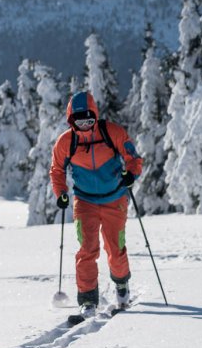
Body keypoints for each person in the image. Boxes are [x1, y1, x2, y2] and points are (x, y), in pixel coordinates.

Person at [50, 91, 143, 316]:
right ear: (71, 119)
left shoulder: (112, 133)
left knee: (115, 247)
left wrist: (131, 174)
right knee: (87, 250)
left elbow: (133, 157)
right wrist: (61, 192)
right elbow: (57, 170)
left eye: (89, 119)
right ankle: (88, 299)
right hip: (85, 201)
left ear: (96, 116)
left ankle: (121, 285)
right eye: (79, 120)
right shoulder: (66, 142)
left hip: (115, 198)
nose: (84, 124)